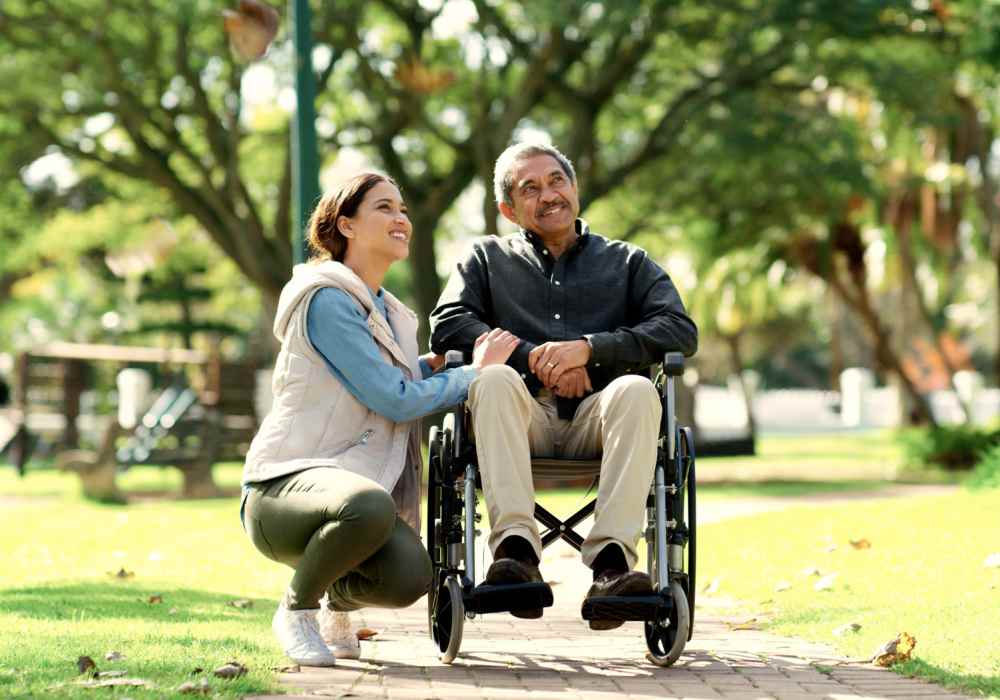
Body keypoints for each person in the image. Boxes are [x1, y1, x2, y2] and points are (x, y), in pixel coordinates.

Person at [241, 172, 519, 666]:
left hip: (349, 495)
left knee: (410, 576)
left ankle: (336, 602)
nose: (401, 219)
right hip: (282, 490)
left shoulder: (389, 312)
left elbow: (378, 380)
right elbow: (393, 400)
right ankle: (296, 609)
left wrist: (429, 367)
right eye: (384, 208)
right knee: (370, 505)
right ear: (346, 225)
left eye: (403, 209)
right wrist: (475, 374)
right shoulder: (326, 299)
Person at [429, 142, 697, 629]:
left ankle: (612, 567)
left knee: (639, 391)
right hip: (518, 416)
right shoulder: (486, 259)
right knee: (492, 379)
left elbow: (679, 330)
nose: (548, 194)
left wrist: (591, 350)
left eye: (557, 180)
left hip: (601, 420)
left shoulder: (628, 262)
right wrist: (533, 358)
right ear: (508, 209)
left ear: (575, 188)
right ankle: (515, 554)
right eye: (530, 188)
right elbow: (448, 325)